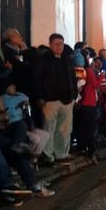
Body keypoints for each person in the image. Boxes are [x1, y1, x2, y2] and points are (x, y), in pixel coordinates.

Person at [32, 34, 77, 164]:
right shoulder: (43, 59)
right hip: (50, 99)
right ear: (50, 44)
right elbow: (37, 78)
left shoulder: (67, 59)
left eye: (61, 44)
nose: (59, 47)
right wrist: (40, 96)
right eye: (56, 44)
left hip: (67, 99)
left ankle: (61, 153)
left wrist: (74, 95)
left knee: (64, 128)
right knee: (49, 128)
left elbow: (72, 78)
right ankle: (48, 155)